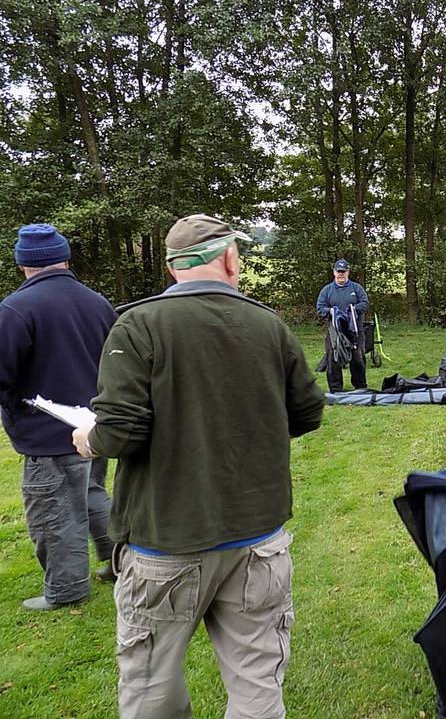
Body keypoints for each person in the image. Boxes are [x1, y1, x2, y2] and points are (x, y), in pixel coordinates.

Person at [71, 214, 324, 719]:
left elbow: (119, 432)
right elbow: (308, 411)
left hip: (164, 547)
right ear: (230, 258)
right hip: (256, 543)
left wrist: (86, 438)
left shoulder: (138, 325)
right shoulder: (267, 324)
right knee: (258, 685)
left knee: (151, 687)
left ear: (170, 268)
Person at [0, 223, 117, 611]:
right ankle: (120, 563)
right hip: (94, 426)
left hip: (48, 432)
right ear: (65, 258)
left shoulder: (17, 309)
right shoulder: (97, 302)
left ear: (23, 265)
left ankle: (66, 589)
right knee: (91, 494)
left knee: (53, 512)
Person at [315, 258, 369, 391]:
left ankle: (360, 386)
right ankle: (335, 388)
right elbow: (320, 307)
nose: (341, 274)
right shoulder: (327, 290)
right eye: (339, 271)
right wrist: (331, 311)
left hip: (354, 329)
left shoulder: (356, 288)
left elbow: (365, 303)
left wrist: (353, 310)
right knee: (333, 357)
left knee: (358, 357)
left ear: (348, 272)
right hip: (334, 330)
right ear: (334, 272)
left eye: (343, 271)